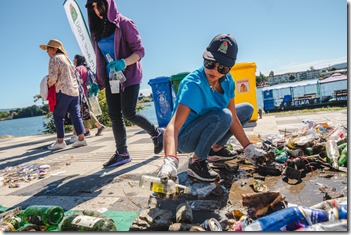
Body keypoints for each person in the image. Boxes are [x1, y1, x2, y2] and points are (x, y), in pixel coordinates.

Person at [157, 34, 266, 182]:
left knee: (246, 109)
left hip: (212, 123)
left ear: (229, 69)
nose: (214, 71)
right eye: (210, 63)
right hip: (185, 139)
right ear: (204, 58)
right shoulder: (193, 85)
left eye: (222, 68)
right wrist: (170, 160)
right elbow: (173, 126)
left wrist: (248, 148)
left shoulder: (228, 81)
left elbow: (234, 118)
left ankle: (216, 149)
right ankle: (197, 162)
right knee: (223, 115)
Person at [85, 0, 164, 168]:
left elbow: (140, 51)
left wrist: (124, 62)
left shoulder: (125, 23)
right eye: (92, 8)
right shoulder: (96, 31)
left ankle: (156, 133)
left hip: (129, 75)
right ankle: (122, 153)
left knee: (129, 112)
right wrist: (98, 83)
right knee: (114, 115)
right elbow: (100, 60)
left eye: (99, 5)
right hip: (111, 77)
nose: (97, 11)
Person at [40, 39, 87, 150]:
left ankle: (60, 141)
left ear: (55, 49)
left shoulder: (54, 59)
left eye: (48, 49)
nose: (47, 52)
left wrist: (46, 82)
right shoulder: (68, 59)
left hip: (63, 90)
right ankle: (81, 139)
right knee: (76, 115)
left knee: (58, 115)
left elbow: (53, 78)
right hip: (74, 91)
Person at [70, 54, 106, 143]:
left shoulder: (78, 69)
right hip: (89, 92)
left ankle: (99, 126)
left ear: (78, 60)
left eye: (74, 59)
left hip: (82, 92)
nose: (73, 61)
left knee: (85, 111)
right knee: (85, 111)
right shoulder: (85, 68)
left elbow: (78, 81)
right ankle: (87, 130)